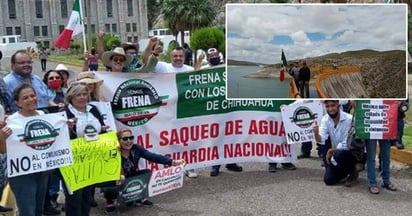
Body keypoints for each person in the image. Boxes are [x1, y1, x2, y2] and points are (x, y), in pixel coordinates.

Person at [102, 128, 185, 213]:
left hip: (130, 177)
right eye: (125, 139)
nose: (129, 141)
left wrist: (173, 162)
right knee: (109, 188)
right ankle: (110, 201)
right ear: (118, 140)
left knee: (147, 173)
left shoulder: (136, 148)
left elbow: (152, 156)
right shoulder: (113, 152)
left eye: (131, 138)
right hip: (117, 178)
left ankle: (138, 197)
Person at [0, 84, 50, 216]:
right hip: (22, 174)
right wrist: (2, 137)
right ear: (17, 103)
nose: (30, 99)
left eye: (32, 96)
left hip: (42, 169)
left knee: (39, 209)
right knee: (27, 211)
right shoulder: (11, 121)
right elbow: (3, 151)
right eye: (25, 98)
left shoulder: (43, 115)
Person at [63, 82, 108, 216]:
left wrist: (104, 132)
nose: (82, 97)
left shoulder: (93, 109)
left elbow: (102, 129)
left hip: (91, 159)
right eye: (78, 95)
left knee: (87, 196)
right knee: (74, 197)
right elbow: (60, 137)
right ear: (71, 97)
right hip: (73, 161)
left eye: (84, 94)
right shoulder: (65, 113)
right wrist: (68, 129)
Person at [313, 100, 358, 186]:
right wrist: (316, 133)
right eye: (327, 106)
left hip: (351, 151)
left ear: (338, 106)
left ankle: (353, 171)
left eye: (333, 105)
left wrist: (332, 150)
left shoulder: (349, 119)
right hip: (337, 152)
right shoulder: (325, 119)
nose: (330, 109)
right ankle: (343, 171)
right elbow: (320, 139)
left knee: (339, 153)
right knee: (328, 180)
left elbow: (347, 144)